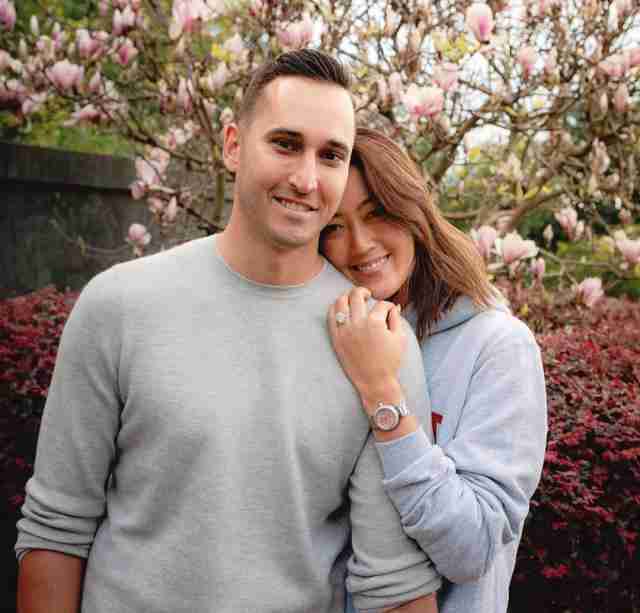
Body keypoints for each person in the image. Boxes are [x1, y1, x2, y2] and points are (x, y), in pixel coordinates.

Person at [15, 51, 443, 613]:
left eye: (331, 155)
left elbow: (395, 585)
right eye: (286, 144)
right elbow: (55, 529)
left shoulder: (378, 345)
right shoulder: (118, 306)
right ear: (233, 145)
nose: (307, 179)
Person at [320, 128, 547, 613]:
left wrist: (381, 391)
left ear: (413, 211)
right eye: (334, 228)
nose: (359, 245)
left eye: (376, 213)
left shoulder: (497, 347)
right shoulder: (327, 338)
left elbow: (473, 547)